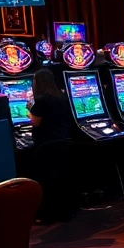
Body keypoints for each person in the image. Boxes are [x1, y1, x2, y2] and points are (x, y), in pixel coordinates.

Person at [27, 67, 75, 221]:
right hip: (64, 141)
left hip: (47, 144)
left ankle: (48, 215)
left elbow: (35, 122)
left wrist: (29, 109)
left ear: (38, 82)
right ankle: (66, 212)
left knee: (47, 181)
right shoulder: (61, 95)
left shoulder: (41, 99)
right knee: (62, 179)